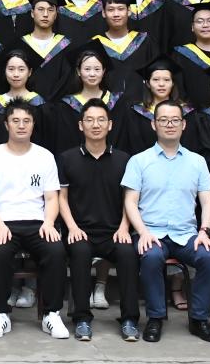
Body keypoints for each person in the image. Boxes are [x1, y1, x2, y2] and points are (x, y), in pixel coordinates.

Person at [122, 100, 210, 343]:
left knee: (209, 258)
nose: (169, 124)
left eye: (175, 120)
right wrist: (142, 232)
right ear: (153, 124)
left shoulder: (197, 161)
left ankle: (199, 319)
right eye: (163, 120)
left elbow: (208, 202)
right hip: (151, 232)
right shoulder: (139, 161)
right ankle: (155, 318)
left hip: (187, 234)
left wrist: (204, 231)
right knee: (152, 256)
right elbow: (130, 202)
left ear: (183, 124)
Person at [0, 99, 68, 340]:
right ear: (6, 124)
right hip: (3, 222)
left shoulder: (44, 157)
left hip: (37, 222)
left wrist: (49, 222)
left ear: (33, 124)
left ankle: (51, 314)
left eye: (26, 121)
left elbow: (52, 197)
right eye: (15, 120)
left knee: (56, 250)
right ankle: (0, 314)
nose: (21, 125)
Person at [57, 99, 140, 342]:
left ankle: (129, 319)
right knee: (80, 252)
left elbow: (130, 199)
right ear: (80, 125)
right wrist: (72, 227)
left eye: (101, 120)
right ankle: (82, 318)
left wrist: (124, 227)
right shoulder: (67, 158)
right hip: (80, 230)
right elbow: (61, 198)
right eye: (90, 120)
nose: (96, 125)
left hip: (114, 231)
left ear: (110, 125)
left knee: (128, 253)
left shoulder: (124, 159)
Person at [116, 54, 199, 159]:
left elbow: (192, 144)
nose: (161, 84)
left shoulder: (187, 112)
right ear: (148, 83)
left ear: (173, 83)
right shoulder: (135, 112)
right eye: (155, 79)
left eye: (166, 80)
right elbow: (129, 145)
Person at [49, 41, 123, 154]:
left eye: (97, 69)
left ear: (104, 71)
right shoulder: (65, 107)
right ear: (78, 71)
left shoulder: (116, 102)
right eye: (87, 69)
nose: (92, 74)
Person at [93, 0, 158, 106]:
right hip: (106, 109)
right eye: (110, 10)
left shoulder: (144, 41)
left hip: (141, 107)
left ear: (129, 11)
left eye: (121, 9)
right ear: (103, 13)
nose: (116, 14)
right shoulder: (95, 45)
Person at [170, 2, 210, 109]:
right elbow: (178, 90)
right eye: (199, 21)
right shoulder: (180, 54)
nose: (205, 25)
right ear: (192, 27)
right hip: (192, 114)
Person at [16, 0, 74, 99]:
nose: (45, 14)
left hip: (58, 106)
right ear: (32, 13)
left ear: (56, 14)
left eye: (50, 10)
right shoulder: (21, 45)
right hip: (27, 105)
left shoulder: (66, 46)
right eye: (40, 9)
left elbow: (68, 82)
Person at [0, 48, 47, 149]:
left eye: (21, 69)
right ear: (4, 71)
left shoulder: (39, 102)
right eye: (11, 69)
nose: (16, 74)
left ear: (29, 72)